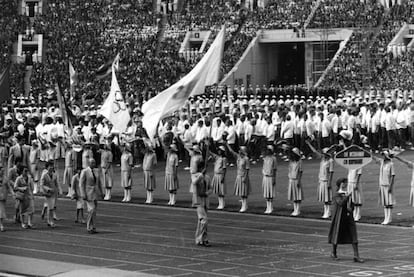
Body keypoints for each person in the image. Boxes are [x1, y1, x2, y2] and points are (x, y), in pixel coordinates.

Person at [328, 177, 364, 263]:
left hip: (348, 217)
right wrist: (347, 197)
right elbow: (340, 203)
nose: (345, 184)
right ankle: (333, 252)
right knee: (337, 234)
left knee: (353, 234)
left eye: (346, 182)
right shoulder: (337, 194)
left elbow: (351, 205)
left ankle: (356, 255)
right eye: (343, 183)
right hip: (340, 217)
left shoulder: (347, 193)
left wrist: (351, 207)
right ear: (340, 184)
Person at [306, 141, 334, 218]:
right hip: (321, 180)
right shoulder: (323, 159)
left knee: (327, 198)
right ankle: (326, 211)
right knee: (324, 197)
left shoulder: (330, 161)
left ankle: (328, 212)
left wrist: (329, 182)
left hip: (326, 180)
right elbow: (315, 151)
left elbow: (331, 172)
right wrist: (309, 144)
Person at [372, 150, 395, 225]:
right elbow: (374, 158)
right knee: (385, 202)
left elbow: (392, 176)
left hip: (388, 185)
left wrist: (391, 186)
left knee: (389, 202)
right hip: (382, 185)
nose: (383, 156)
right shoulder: (382, 162)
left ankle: (389, 218)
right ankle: (386, 217)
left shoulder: (391, 164)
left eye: (384, 155)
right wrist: (364, 151)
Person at [80, 158, 103, 234]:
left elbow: (99, 182)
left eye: (94, 162)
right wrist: (83, 193)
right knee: (91, 210)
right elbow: (81, 184)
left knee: (94, 211)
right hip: (88, 193)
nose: (94, 164)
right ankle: (89, 227)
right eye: (92, 163)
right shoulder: (85, 171)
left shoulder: (97, 171)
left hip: (95, 193)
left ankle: (93, 227)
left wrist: (101, 192)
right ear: (89, 163)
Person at [192, 164, 212, 247]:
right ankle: (200, 238)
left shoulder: (207, 177)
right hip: (198, 201)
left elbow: (211, 188)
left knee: (201, 222)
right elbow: (194, 182)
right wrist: (201, 175)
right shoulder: (195, 176)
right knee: (204, 220)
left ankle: (204, 239)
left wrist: (207, 193)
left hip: (205, 200)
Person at [227, 144, 250, 213]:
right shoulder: (239, 157)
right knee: (241, 192)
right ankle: (244, 205)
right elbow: (231, 151)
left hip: (243, 176)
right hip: (239, 175)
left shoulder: (246, 159)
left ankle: (244, 205)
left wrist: (245, 177)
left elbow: (247, 169)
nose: (239, 152)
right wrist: (226, 144)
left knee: (244, 192)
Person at [40, 161, 61, 228]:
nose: (51, 168)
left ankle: (50, 220)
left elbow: (56, 183)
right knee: (50, 207)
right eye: (50, 166)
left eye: (52, 166)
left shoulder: (54, 175)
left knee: (51, 207)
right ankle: (50, 221)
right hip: (47, 193)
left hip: (53, 193)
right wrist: (47, 189)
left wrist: (59, 190)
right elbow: (42, 185)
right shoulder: (44, 175)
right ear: (47, 167)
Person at [210, 145, 227, 210]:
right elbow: (212, 154)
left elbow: (224, 168)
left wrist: (223, 176)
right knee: (217, 190)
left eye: (220, 150)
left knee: (221, 190)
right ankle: (220, 203)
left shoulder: (224, 159)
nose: (219, 151)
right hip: (216, 175)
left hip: (220, 175)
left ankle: (222, 203)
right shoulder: (217, 158)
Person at [287, 147, 303, 216]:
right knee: (293, 195)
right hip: (291, 179)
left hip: (296, 179)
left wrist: (299, 180)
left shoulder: (299, 161)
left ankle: (298, 209)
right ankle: (295, 209)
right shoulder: (291, 161)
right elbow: (289, 170)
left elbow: (300, 171)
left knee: (298, 195)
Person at [262, 145, 277, 214]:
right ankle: (267, 206)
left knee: (270, 192)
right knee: (266, 192)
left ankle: (270, 206)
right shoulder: (265, 157)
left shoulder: (273, 158)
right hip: (265, 176)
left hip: (270, 176)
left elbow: (274, 169)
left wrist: (274, 178)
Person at [0, 166, 14, 231]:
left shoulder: (5, 179)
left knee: (1, 211)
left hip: (2, 197)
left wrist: (13, 193)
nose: (2, 172)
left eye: (3, 171)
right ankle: (1, 225)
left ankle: (1, 224)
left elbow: (9, 187)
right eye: (1, 171)